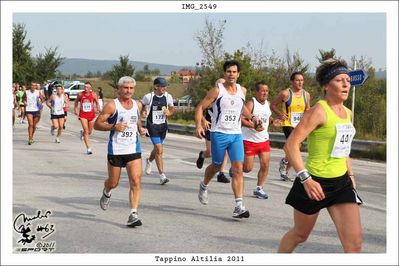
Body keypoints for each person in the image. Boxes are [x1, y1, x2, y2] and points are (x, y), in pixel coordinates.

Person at [278, 58, 362, 253]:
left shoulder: (348, 113)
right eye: (339, 80)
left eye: (347, 80)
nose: (345, 84)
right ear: (326, 86)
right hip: (314, 183)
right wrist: (305, 179)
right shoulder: (318, 111)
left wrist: (350, 175)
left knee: (354, 245)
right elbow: (290, 146)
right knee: (300, 235)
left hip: (341, 183)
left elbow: (343, 149)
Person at [195, 60, 261, 218]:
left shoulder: (242, 90)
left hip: (236, 135)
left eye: (234, 72)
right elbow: (200, 107)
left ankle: (239, 205)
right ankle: (204, 185)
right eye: (228, 72)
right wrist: (199, 124)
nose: (231, 74)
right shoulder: (217, 91)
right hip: (219, 133)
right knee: (217, 166)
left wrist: (252, 116)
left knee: (238, 169)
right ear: (225, 74)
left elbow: (241, 107)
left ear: (238, 74)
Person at [95, 76, 147, 227]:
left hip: (133, 149)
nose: (128, 91)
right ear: (119, 89)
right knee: (113, 182)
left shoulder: (137, 105)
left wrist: (140, 129)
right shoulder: (112, 106)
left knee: (136, 181)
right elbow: (97, 124)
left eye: (131, 88)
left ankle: (133, 213)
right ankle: (106, 191)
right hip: (116, 149)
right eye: (125, 88)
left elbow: (136, 119)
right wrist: (113, 127)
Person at [241, 81, 281, 199]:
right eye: (262, 91)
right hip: (249, 140)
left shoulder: (267, 104)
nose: (265, 93)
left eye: (267, 91)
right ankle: (236, 168)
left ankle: (259, 188)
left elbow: (267, 117)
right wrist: (253, 126)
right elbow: (242, 119)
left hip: (263, 140)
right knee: (248, 169)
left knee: (265, 164)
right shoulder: (251, 104)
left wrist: (274, 121)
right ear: (256, 92)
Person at [270, 71, 311, 181]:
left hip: (300, 124)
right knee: (294, 147)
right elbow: (272, 104)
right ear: (292, 82)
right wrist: (280, 114)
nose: (300, 82)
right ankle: (286, 164)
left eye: (302, 80)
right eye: (297, 80)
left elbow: (307, 109)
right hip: (288, 123)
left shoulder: (306, 95)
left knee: (297, 149)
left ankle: (285, 170)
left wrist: (309, 118)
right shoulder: (285, 94)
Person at [196, 78, 230, 183]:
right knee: (210, 153)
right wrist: (203, 120)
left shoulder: (227, 98)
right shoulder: (211, 97)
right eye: (220, 85)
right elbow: (199, 109)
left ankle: (221, 173)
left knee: (225, 152)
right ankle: (203, 154)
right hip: (210, 127)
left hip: (223, 128)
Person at [142, 77, 175, 185]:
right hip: (152, 126)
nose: (164, 88)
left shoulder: (168, 96)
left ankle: (149, 160)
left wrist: (169, 113)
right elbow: (141, 105)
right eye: (162, 86)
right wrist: (143, 112)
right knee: (159, 149)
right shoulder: (149, 97)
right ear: (156, 86)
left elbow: (172, 108)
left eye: (166, 86)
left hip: (163, 126)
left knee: (157, 149)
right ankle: (162, 176)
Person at [74, 81, 102, 154]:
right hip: (83, 115)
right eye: (85, 87)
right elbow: (76, 102)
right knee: (86, 130)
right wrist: (75, 109)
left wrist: (98, 108)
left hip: (91, 115)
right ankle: (88, 148)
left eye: (87, 87)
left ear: (90, 88)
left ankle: (82, 133)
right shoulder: (80, 94)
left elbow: (97, 103)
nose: (86, 88)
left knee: (89, 132)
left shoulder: (93, 94)